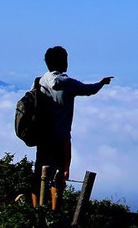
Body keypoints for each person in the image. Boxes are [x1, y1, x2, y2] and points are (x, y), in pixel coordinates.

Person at [33, 46, 112, 208]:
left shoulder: (39, 81)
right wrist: (102, 83)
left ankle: (36, 210)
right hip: (61, 138)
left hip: (42, 137)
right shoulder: (68, 83)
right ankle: (54, 213)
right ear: (63, 61)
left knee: (40, 175)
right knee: (59, 177)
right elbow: (89, 90)